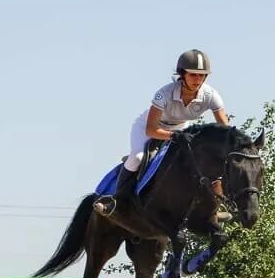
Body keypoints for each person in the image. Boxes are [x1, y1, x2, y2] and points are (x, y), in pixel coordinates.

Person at [96, 49, 229, 215]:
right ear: (182, 74)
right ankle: (117, 200)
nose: (197, 79)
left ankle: (212, 205)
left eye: (201, 75)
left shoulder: (211, 95)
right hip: (149, 127)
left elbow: (225, 128)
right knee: (138, 157)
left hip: (180, 127)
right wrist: (175, 136)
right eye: (193, 74)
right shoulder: (165, 93)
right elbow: (151, 130)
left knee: (198, 160)